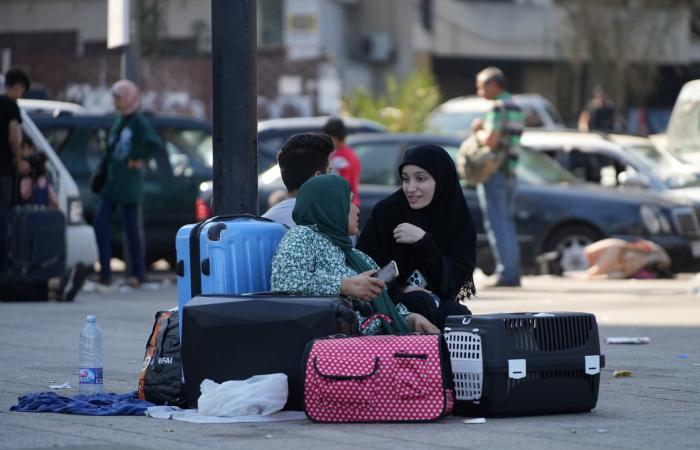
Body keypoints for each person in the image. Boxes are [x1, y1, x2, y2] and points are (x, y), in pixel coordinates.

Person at [270, 174, 438, 335]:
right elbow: (284, 281)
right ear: (331, 206)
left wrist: (410, 319)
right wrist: (344, 285)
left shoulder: (356, 256)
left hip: (373, 339)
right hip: (337, 345)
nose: (357, 209)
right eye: (349, 201)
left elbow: (382, 305)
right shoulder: (303, 235)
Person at [357, 144, 475, 329]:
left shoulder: (455, 217)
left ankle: (445, 358)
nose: (410, 188)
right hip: (387, 301)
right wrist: (403, 288)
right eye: (405, 179)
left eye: (420, 179)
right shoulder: (388, 212)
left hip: (438, 301)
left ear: (441, 179)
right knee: (419, 302)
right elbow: (364, 267)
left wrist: (424, 241)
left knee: (457, 316)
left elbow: (451, 285)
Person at [93, 79, 161, 288]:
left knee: (132, 230)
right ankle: (106, 272)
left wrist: (138, 157)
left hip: (129, 184)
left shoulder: (138, 122)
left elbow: (155, 144)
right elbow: (110, 150)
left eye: (119, 97)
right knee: (100, 223)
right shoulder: (118, 120)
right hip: (112, 183)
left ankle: (138, 274)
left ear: (129, 98)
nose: (116, 102)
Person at [472, 66, 523, 287]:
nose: (479, 91)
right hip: (511, 171)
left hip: (495, 173)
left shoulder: (497, 106)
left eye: (482, 86)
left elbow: (491, 140)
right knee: (507, 223)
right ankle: (512, 271)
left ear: (495, 85)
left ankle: (507, 273)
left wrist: (478, 129)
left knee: (497, 223)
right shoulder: (516, 105)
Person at [262, 133, 334, 228]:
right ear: (317, 177)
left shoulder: (265, 221)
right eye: (329, 171)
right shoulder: (333, 226)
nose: (332, 178)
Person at [0, 69, 30, 272]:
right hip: (3, 170)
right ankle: (4, 267)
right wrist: (19, 160)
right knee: (3, 218)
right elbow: (14, 138)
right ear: (17, 87)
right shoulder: (11, 107)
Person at [323, 117, 361, 207]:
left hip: (343, 206)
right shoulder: (350, 154)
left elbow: (341, 187)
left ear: (334, 137)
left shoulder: (343, 159)